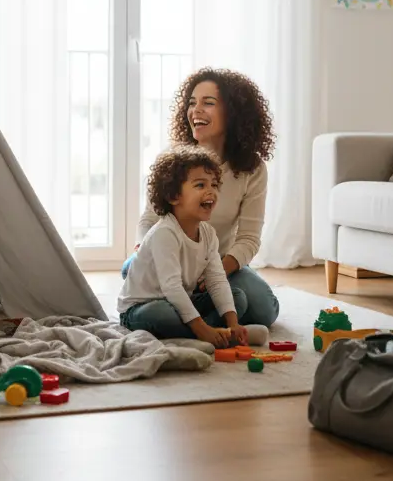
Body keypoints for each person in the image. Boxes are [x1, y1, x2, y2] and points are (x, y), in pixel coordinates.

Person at [123, 68, 280, 327]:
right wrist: (143, 251)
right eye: (192, 103)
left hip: (219, 262)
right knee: (134, 271)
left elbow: (249, 239)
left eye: (208, 103)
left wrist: (216, 272)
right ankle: (193, 314)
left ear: (233, 113)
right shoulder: (174, 159)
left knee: (264, 310)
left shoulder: (252, 169)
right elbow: (149, 219)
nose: (196, 110)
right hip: (171, 257)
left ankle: (191, 309)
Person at [117, 145, 250, 346]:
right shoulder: (165, 233)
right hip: (141, 308)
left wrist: (234, 322)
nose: (211, 191)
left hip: (178, 301)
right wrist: (201, 328)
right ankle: (204, 332)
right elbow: (171, 287)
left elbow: (216, 280)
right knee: (161, 314)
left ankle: (217, 331)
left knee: (237, 297)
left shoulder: (208, 234)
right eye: (200, 185)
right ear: (173, 196)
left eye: (214, 185)